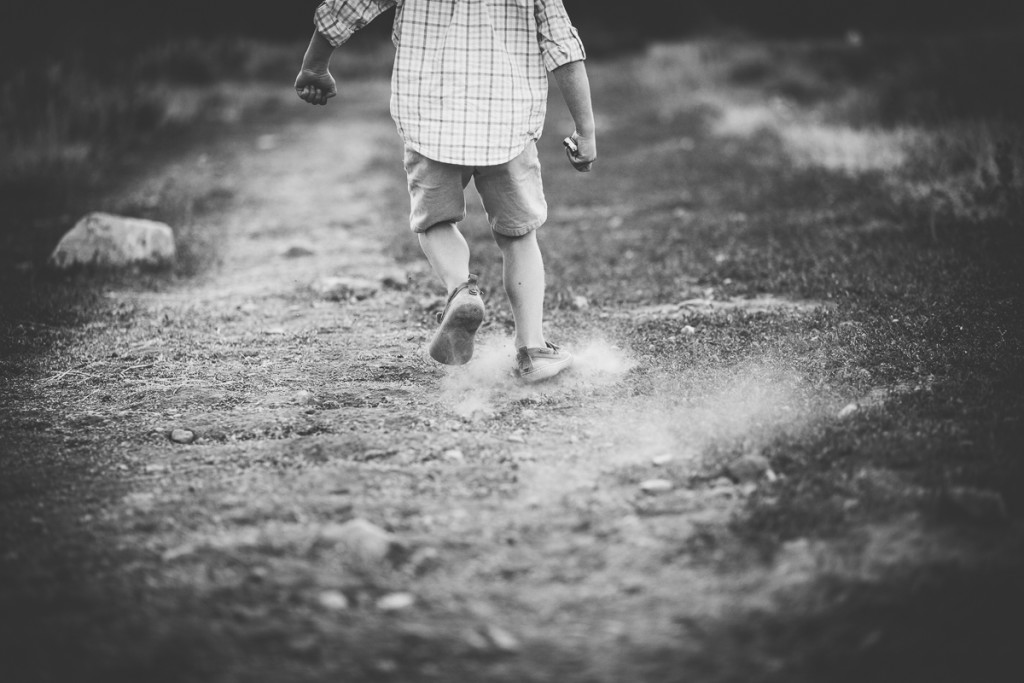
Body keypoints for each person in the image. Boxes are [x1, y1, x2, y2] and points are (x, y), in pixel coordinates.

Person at [295, 0, 596, 383]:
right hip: (507, 120)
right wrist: (585, 129)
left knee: (435, 222)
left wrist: (315, 64)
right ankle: (532, 348)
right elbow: (563, 48)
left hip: (429, 118)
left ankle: (461, 290)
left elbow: (350, 6)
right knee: (518, 235)